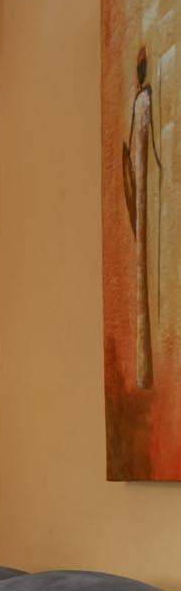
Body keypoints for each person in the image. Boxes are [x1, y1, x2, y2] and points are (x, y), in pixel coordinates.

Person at [121, 48, 160, 386]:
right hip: (138, 164)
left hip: (142, 165)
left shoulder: (143, 96)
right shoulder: (140, 97)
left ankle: (145, 373)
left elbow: (144, 134)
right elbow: (135, 134)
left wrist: (155, 160)